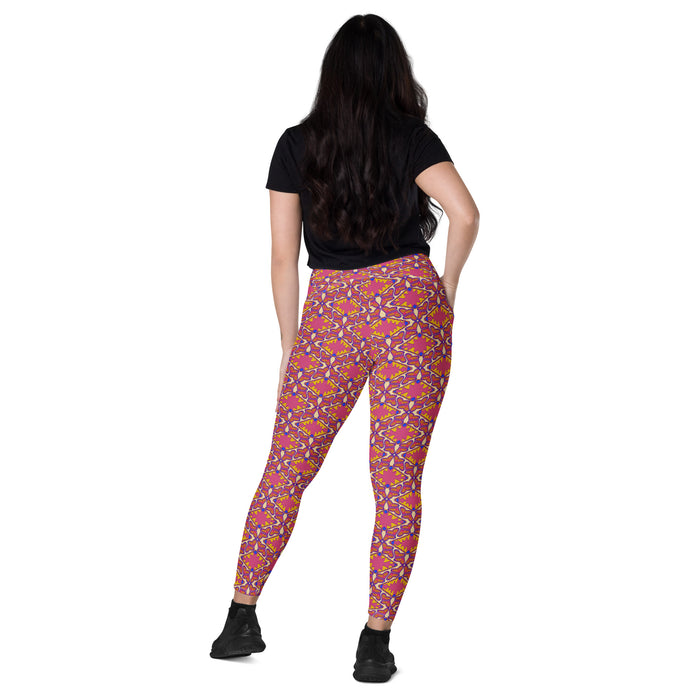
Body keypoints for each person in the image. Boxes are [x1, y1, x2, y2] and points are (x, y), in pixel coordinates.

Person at [210, 13, 479, 682]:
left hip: (330, 315)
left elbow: (282, 257)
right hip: (410, 308)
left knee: (285, 468)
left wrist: (290, 345)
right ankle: (374, 643)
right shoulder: (412, 138)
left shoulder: (296, 145)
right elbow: (467, 214)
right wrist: (445, 289)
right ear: (394, 73)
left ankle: (240, 618)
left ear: (331, 73)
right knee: (397, 481)